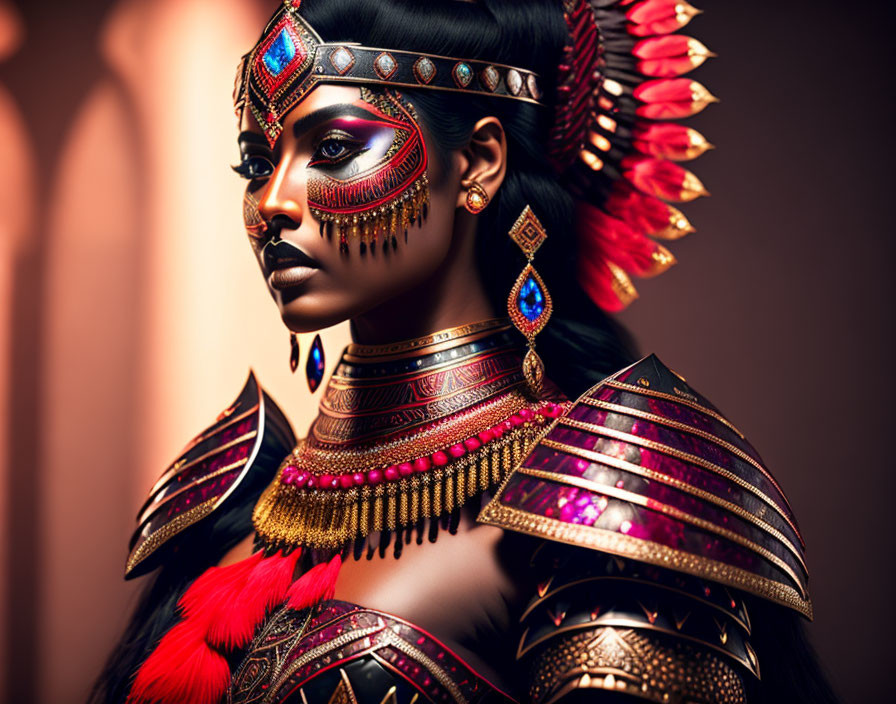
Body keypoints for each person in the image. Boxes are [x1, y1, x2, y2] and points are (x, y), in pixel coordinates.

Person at [91, 1, 838, 702]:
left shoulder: (611, 502)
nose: (275, 202)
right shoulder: (226, 497)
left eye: (336, 147)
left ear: (477, 163)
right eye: (258, 163)